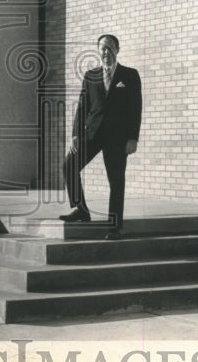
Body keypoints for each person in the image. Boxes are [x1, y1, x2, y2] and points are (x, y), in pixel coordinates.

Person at [60, 33, 142, 240]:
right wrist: (75, 135)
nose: (105, 52)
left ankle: (114, 227)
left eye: (109, 47)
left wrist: (133, 138)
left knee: (116, 180)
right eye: (102, 48)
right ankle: (81, 209)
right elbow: (82, 106)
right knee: (69, 165)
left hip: (118, 137)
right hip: (92, 133)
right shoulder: (91, 75)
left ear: (117, 49)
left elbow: (135, 108)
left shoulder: (130, 75)